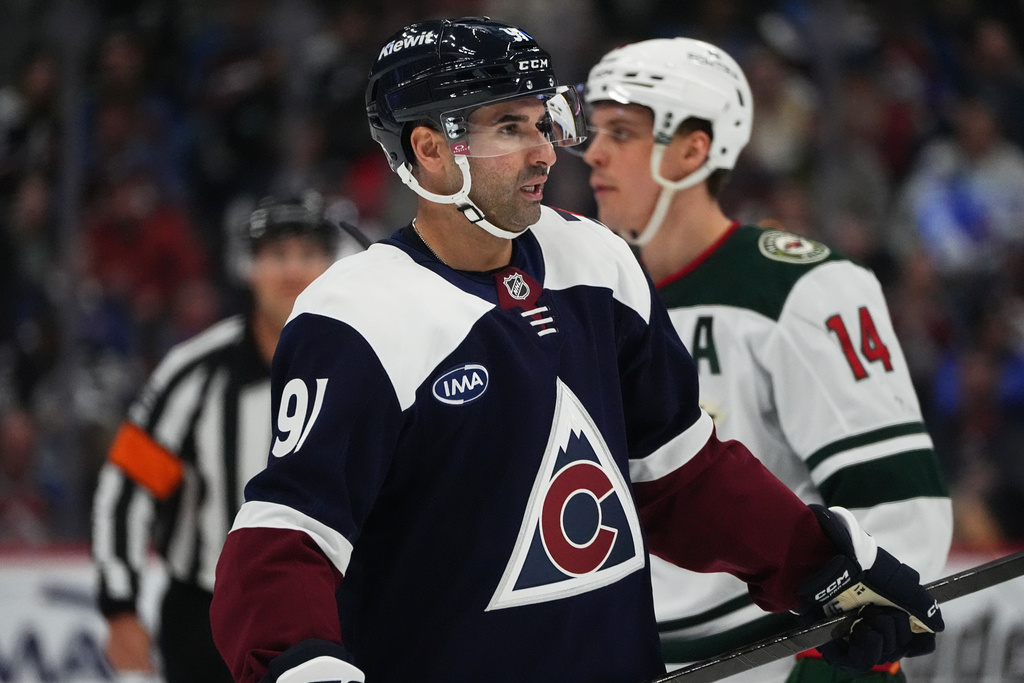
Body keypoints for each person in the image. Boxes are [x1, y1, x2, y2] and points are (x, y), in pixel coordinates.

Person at [209, 18, 944, 683]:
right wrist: (296, 662)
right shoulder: (354, 318)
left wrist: (816, 566)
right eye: (509, 127)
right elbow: (288, 534)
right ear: (429, 149)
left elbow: (682, 475)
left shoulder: (595, 260)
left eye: (542, 121)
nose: (545, 151)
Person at [582, 37, 953, 682]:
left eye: (621, 132)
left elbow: (900, 506)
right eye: (593, 131)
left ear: (693, 151)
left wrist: (842, 657)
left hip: (777, 658)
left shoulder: (801, 288)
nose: (593, 152)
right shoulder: (593, 304)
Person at [91, 192, 338, 683]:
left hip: (331, 611)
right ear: (248, 267)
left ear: (333, 265)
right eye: (277, 255)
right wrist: (120, 605)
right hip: (205, 620)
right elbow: (129, 487)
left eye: (308, 254)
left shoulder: (365, 367)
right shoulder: (194, 374)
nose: (293, 270)